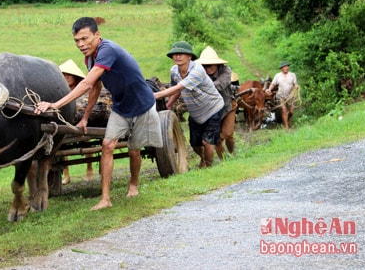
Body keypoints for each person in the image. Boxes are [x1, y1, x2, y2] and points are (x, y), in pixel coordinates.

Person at [35, 17, 162, 210]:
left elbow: (86, 83)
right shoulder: (91, 57)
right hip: (120, 107)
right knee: (107, 145)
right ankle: (105, 199)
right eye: (77, 41)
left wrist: (54, 105)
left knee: (134, 149)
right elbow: (95, 87)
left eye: (85, 39)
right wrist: (85, 118)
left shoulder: (107, 50)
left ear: (97, 35)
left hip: (141, 105)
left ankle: (133, 184)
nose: (81, 44)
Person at [154, 41, 224, 168]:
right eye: (174, 55)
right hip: (196, 112)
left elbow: (180, 86)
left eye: (181, 54)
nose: (177, 57)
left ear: (189, 56)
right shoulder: (174, 71)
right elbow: (177, 89)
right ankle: (203, 160)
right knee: (195, 143)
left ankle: (209, 168)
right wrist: (168, 104)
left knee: (207, 143)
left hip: (212, 108)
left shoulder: (197, 70)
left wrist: (157, 95)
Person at [196, 47, 237, 158]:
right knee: (217, 139)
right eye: (205, 66)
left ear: (216, 64)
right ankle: (224, 161)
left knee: (227, 134)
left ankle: (233, 153)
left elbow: (220, 85)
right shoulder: (199, 73)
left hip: (227, 106)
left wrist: (200, 87)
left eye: (210, 65)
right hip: (211, 110)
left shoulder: (226, 71)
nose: (207, 69)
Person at [58, 59, 94, 185]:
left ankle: (89, 169)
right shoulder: (60, 92)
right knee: (60, 144)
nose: (66, 78)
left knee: (87, 140)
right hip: (66, 124)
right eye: (63, 75)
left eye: (69, 75)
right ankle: (66, 175)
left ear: (75, 76)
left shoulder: (82, 90)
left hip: (82, 123)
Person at [265, 61, 299, 129]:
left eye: (287, 66)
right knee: (284, 110)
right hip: (281, 96)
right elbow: (273, 84)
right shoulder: (278, 75)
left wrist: (296, 86)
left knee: (291, 111)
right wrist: (269, 89)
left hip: (290, 96)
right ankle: (286, 126)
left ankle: (287, 119)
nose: (287, 68)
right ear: (281, 68)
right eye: (285, 66)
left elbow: (295, 83)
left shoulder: (292, 75)